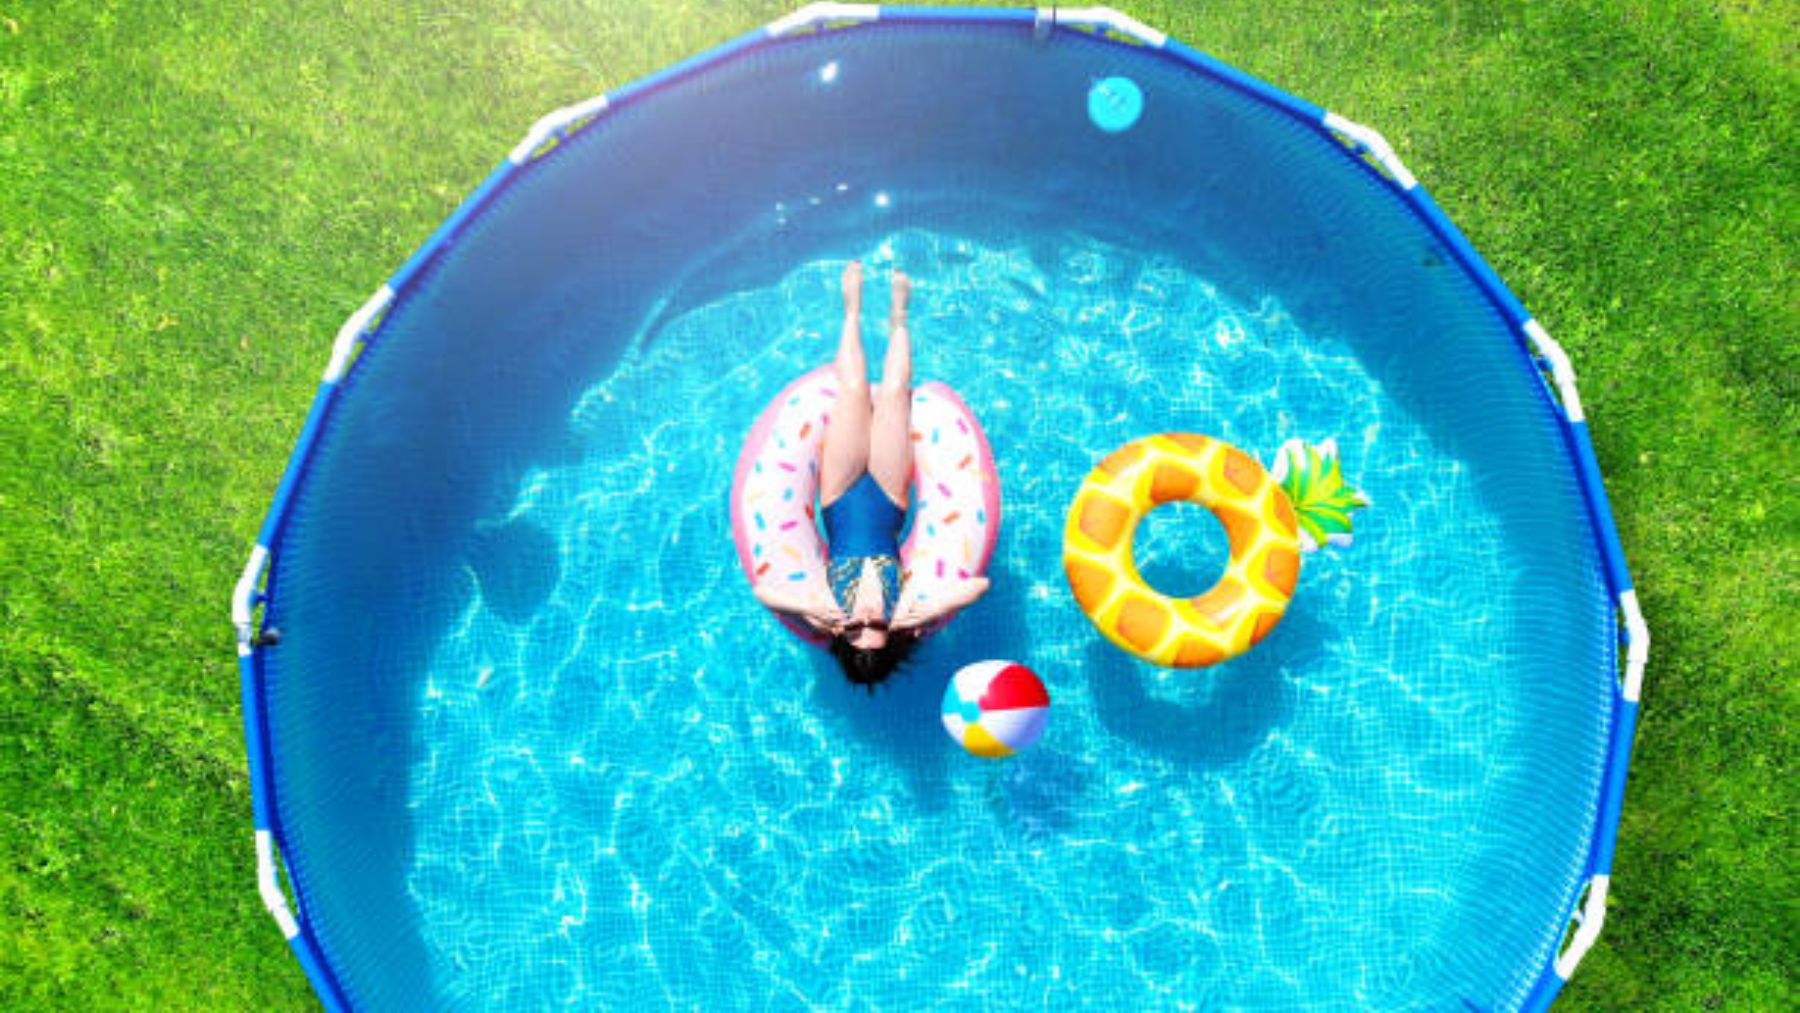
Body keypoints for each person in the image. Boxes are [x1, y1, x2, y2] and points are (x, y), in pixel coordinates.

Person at [754, 262, 990, 689]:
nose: (864, 621)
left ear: (842, 637)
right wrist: (933, 610)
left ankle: (852, 310)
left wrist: (807, 608)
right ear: (890, 636)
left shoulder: (824, 613)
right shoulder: (907, 611)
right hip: (888, 496)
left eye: (855, 631)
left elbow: (762, 592)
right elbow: (979, 585)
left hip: (839, 494)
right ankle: (899, 315)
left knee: (854, 389)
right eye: (874, 630)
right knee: (896, 392)